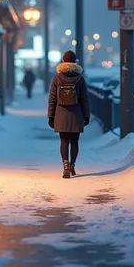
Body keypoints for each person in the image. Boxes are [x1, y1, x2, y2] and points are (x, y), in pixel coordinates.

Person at [47, 50, 90, 178]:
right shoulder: (80, 79)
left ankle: (65, 164)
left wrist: (51, 116)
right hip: (76, 114)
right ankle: (72, 165)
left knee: (64, 140)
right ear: (75, 61)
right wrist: (86, 115)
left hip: (61, 113)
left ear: (63, 61)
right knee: (75, 141)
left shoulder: (57, 78)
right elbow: (84, 99)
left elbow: (52, 99)